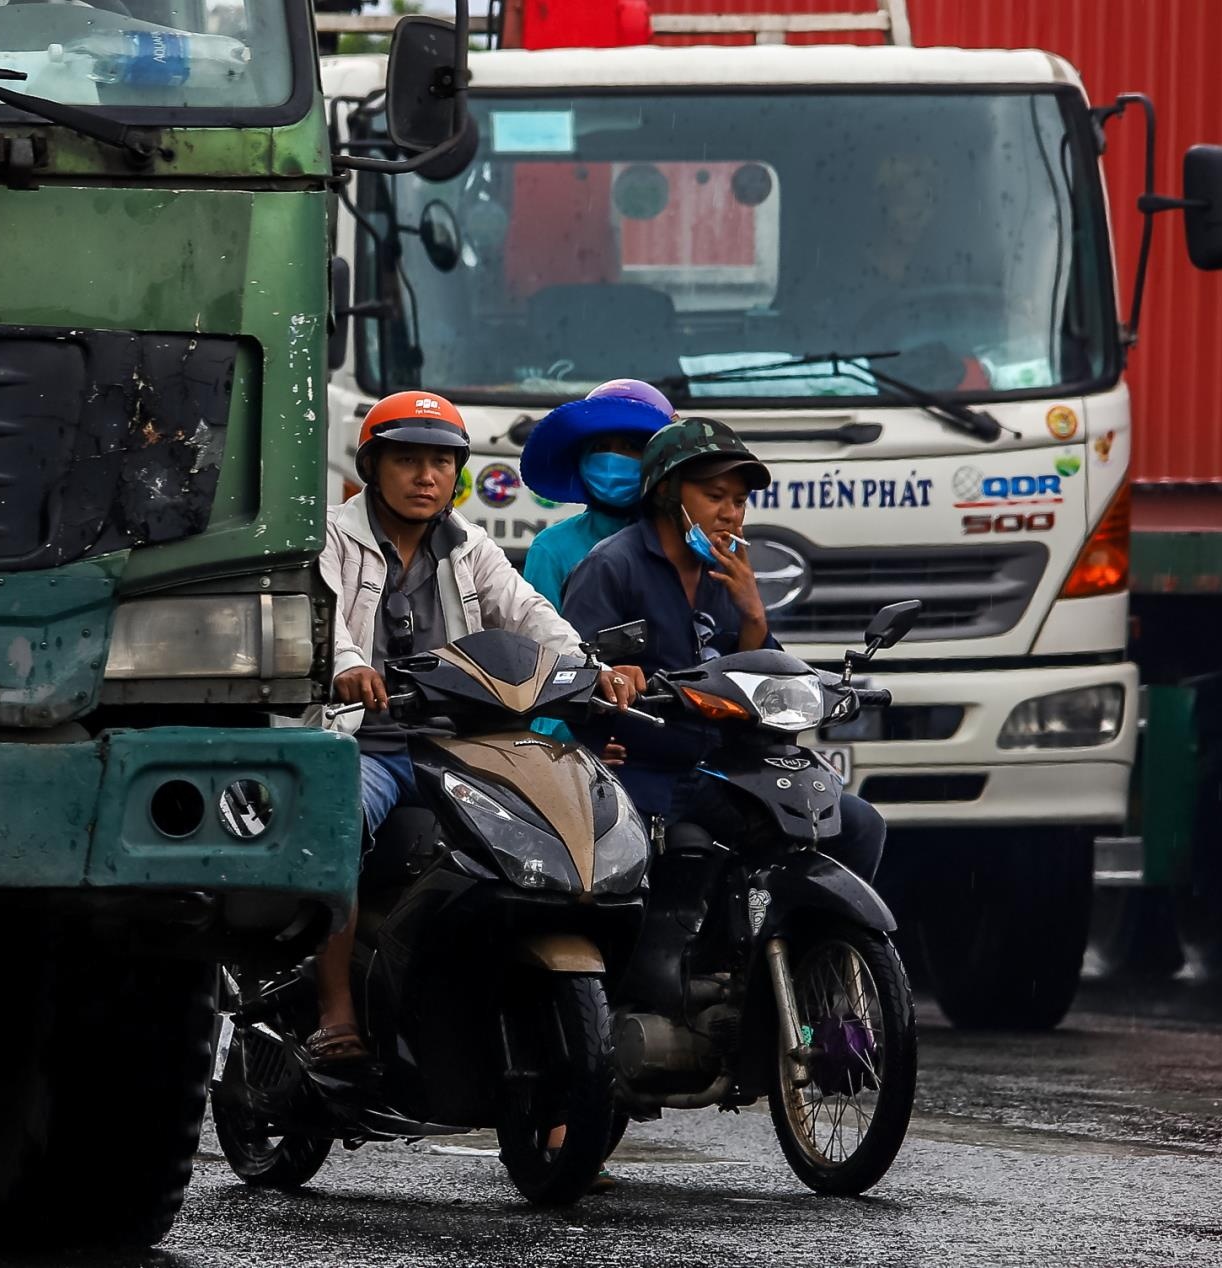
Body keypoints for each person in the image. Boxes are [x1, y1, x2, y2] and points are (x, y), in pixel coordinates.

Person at [312, 390, 643, 1067]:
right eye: (406, 460)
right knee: (335, 825)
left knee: (544, 829)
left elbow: (529, 614)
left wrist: (591, 665)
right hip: (362, 740)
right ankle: (334, 1008)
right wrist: (348, 668)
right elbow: (322, 622)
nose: (425, 476)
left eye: (439, 462)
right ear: (373, 466)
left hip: (457, 741)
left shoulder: (470, 546)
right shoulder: (331, 535)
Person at [559, 418, 885, 882]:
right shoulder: (612, 566)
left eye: (739, 500)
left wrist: (754, 614)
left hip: (730, 771)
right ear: (667, 493)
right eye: (715, 497)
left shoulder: (731, 574)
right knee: (682, 876)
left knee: (857, 826)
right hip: (643, 771)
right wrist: (612, 681)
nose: (731, 514)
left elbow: (759, 678)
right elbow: (572, 672)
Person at [520, 379, 674, 610]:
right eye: (600, 448)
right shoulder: (551, 550)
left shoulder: (681, 541)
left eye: (630, 446)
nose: (612, 460)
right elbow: (540, 639)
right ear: (580, 460)